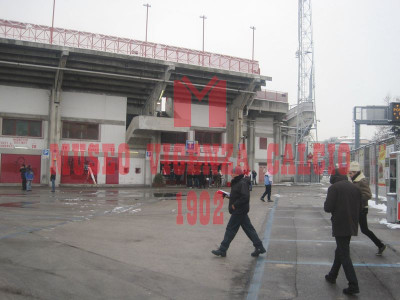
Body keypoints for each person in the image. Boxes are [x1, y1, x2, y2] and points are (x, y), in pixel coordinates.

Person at [211, 166, 266, 258]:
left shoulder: (242, 183)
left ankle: (222, 249)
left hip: (239, 210)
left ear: (237, 174)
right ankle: (259, 247)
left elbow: (245, 197)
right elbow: (236, 195)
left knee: (230, 229)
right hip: (240, 210)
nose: (231, 174)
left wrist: (234, 205)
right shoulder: (238, 182)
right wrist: (227, 195)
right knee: (249, 230)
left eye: (233, 173)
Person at [324, 168, 362, 295]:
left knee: (344, 254)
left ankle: (353, 284)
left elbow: (327, 208)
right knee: (340, 250)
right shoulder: (355, 188)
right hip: (351, 224)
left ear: (333, 177)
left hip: (340, 224)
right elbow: (360, 207)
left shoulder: (334, 188)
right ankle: (332, 275)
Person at [348, 161, 386, 255]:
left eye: (351, 173)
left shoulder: (362, 181)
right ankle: (344, 248)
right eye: (349, 173)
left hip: (361, 209)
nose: (349, 175)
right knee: (351, 227)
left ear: (356, 172)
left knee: (363, 229)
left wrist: (355, 199)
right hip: (357, 208)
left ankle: (380, 245)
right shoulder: (356, 180)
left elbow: (368, 195)